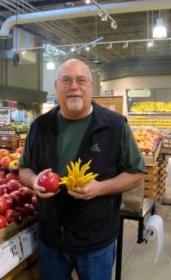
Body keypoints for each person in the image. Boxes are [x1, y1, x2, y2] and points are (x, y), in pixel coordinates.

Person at [19, 59, 145, 280]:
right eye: (66, 80)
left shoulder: (115, 126)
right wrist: (34, 181)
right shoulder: (40, 127)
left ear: (91, 87)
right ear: (56, 87)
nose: (73, 86)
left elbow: (135, 173)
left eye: (81, 80)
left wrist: (101, 188)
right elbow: (24, 168)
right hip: (51, 240)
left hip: (95, 242)